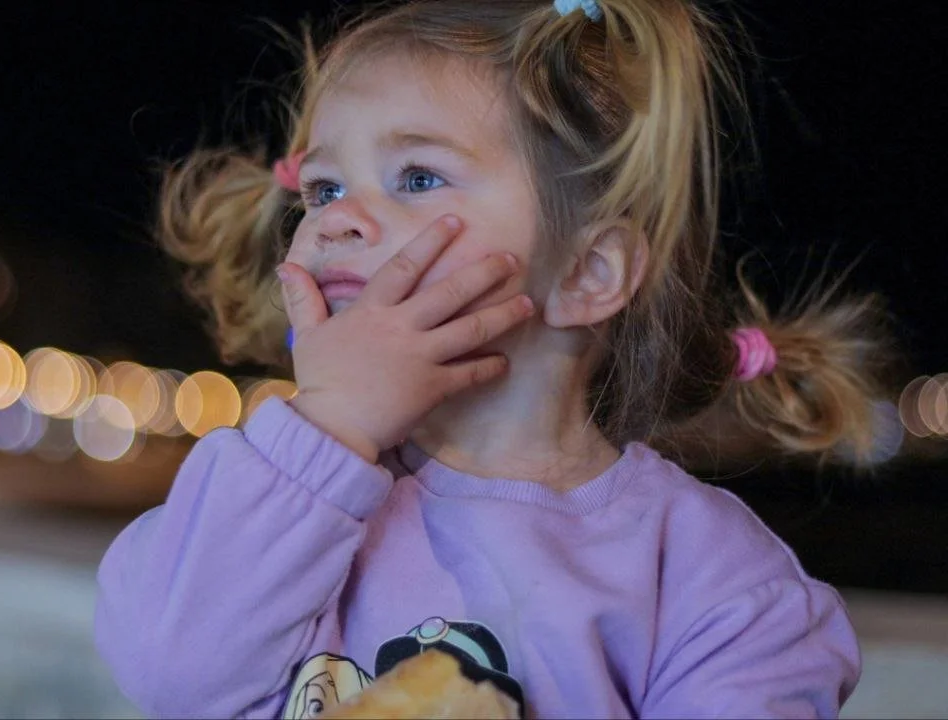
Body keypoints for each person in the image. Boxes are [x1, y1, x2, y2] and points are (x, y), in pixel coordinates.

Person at [95, 0, 891, 716]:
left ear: (588, 272)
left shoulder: (709, 581)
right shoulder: (287, 500)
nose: (336, 222)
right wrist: (329, 427)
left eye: (417, 176)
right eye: (325, 189)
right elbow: (170, 671)